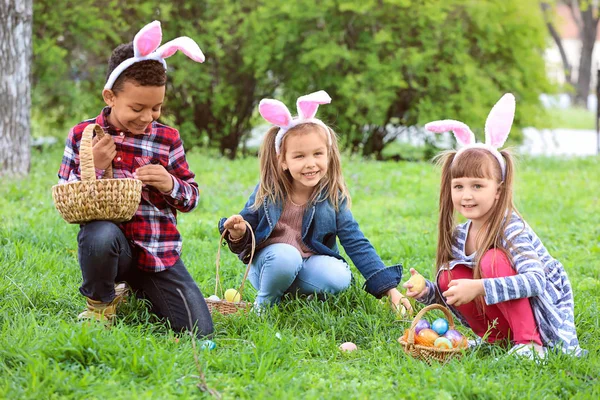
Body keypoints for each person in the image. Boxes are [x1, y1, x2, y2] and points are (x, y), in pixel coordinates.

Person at [57, 21, 213, 337]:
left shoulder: (167, 139)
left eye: (156, 107)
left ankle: (141, 288)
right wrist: (96, 166)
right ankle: (101, 302)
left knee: (200, 331)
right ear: (110, 96)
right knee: (99, 236)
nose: (147, 117)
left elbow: (192, 196)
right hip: (112, 248)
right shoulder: (84, 135)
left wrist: (170, 183)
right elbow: (65, 197)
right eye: (137, 107)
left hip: (157, 252)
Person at [404, 93, 585, 358]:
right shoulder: (459, 236)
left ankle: (530, 344)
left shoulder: (512, 228)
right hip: (502, 315)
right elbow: (455, 296)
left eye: (477, 186)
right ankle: (496, 340)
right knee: (449, 276)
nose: (466, 195)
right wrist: (426, 291)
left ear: (498, 191)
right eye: (459, 186)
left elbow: (536, 281)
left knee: (493, 261)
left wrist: (479, 287)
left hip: (542, 312)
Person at [218, 91, 412, 313]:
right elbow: (247, 227)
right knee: (286, 256)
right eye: (299, 156)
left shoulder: (332, 196)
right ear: (283, 161)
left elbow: (356, 241)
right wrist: (239, 231)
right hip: (271, 264)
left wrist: (389, 289)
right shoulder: (268, 191)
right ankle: (265, 304)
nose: (310, 163)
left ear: (328, 155)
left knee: (340, 276)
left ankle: (294, 294)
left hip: (308, 264)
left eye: (317, 154)